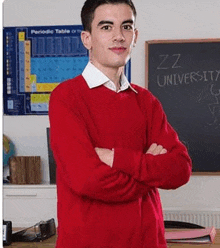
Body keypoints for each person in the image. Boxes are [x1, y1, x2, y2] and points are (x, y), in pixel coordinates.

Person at [49, 0, 192, 247]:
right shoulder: (66, 97)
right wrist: (149, 168)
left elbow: (180, 169)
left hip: (149, 241)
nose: (118, 36)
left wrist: (117, 159)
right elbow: (88, 180)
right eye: (106, 27)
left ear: (134, 36)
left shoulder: (147, 101)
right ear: (87, 39)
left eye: (126, 27)